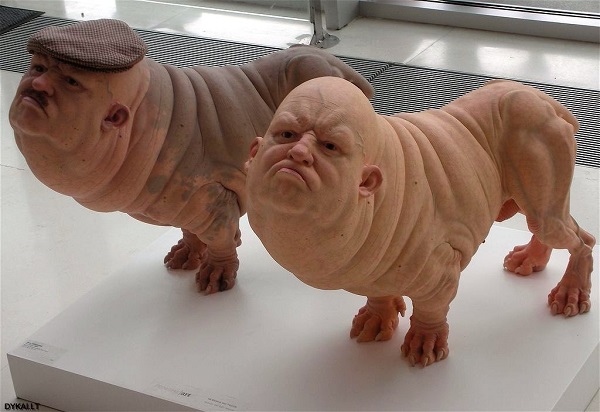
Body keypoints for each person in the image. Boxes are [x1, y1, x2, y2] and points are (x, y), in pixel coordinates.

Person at [245, 76, 595, 367]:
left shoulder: (409, 239)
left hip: (519, 130)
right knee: (381, 257)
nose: (299, 151)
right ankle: (384, 300)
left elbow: (438, 275)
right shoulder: (295, 211)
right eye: (287, 135)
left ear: (366, 183)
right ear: (254, 153)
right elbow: (374, 251)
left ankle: (580, 255)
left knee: (548, 223)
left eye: (329, 146)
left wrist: (430, 323)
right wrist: (380, 299)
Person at [9, 18, 374, 294]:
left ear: (116, 117)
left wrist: (221, 254)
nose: (38, 83)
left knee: (184, 194)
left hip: (296, 91)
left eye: (70, 82)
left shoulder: (157, 159)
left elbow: (212, 206)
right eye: (39, 68)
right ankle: (196, 240)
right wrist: (195, 233)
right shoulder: (139, 152)